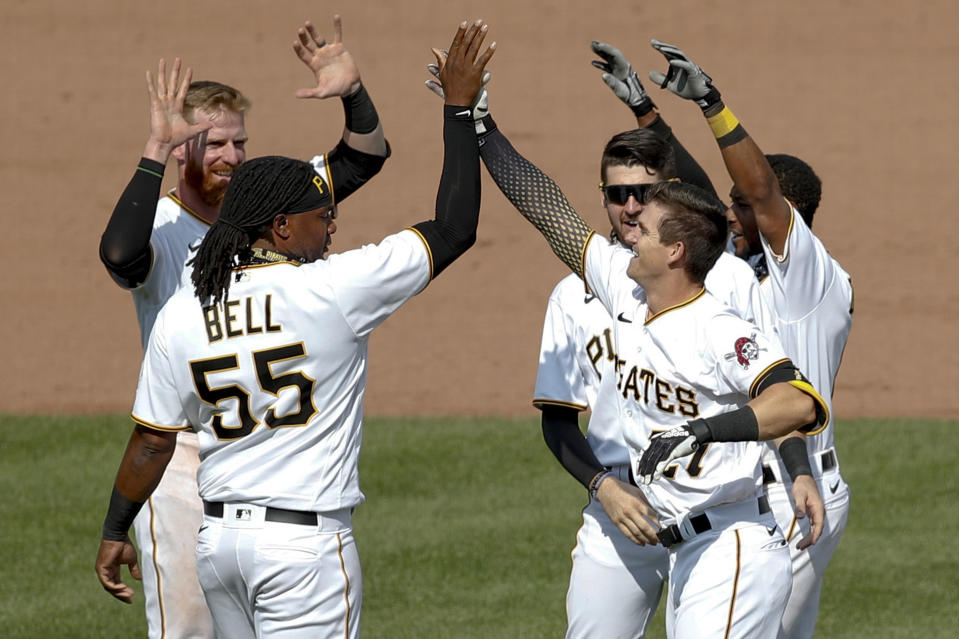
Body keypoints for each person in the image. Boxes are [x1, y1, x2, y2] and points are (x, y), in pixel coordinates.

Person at [94, 18, 495, 638]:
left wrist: (352, 92)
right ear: (281, 225)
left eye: (238, 143)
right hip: (210, 476)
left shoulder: (205, 285)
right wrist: (460, 111)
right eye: (212, 142)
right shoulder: (318, 283)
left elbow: (363, 158)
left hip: (220, 497)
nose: (230, 156)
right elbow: (120, 255)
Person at [451, 64, 829, 632]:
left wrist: (702, 431)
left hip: (730, 543)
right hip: (680, 544)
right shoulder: (629, 293)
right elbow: (549, 212)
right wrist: (480, 127)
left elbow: (798, 402)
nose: (629, 228)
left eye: (647, 226)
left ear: (676, 251)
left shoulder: (719, 324)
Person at [645, 40, 854, 639]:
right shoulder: (746, 272)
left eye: (741, 207)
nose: (729, 215)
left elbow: (758, 193)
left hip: (798, 489)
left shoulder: (808, 276)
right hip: (756, 489)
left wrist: (713, 104)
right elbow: (706, 199)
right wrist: (647, 113)